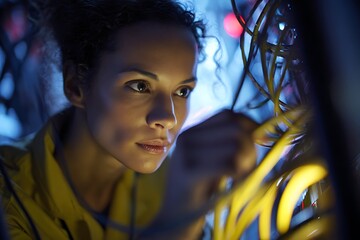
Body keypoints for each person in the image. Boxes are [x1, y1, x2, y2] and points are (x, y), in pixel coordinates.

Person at [0, 0, 258, 239]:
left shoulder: (169, 183)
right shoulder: (9, 196)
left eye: (182, 91)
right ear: (76, 85)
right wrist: (179, 219)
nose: (167, 118)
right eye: (139, 86)